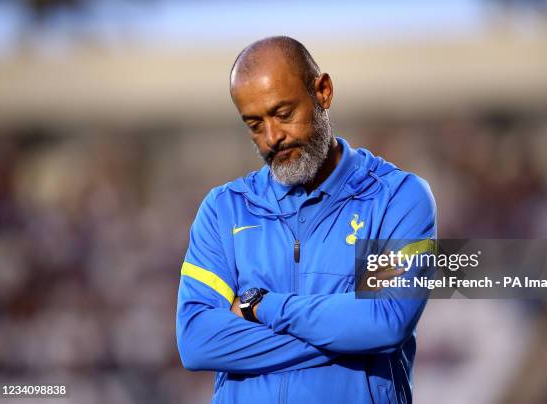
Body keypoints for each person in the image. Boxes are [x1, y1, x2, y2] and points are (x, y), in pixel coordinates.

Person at [176, 36, 436, 404]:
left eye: (283, 114)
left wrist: (260, 306)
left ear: (323, 92)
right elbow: (197, 341)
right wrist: (347, 335)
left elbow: (385, 320)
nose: (272, 138)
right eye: (254, 124)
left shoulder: (398, 197)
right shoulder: (223, 210)